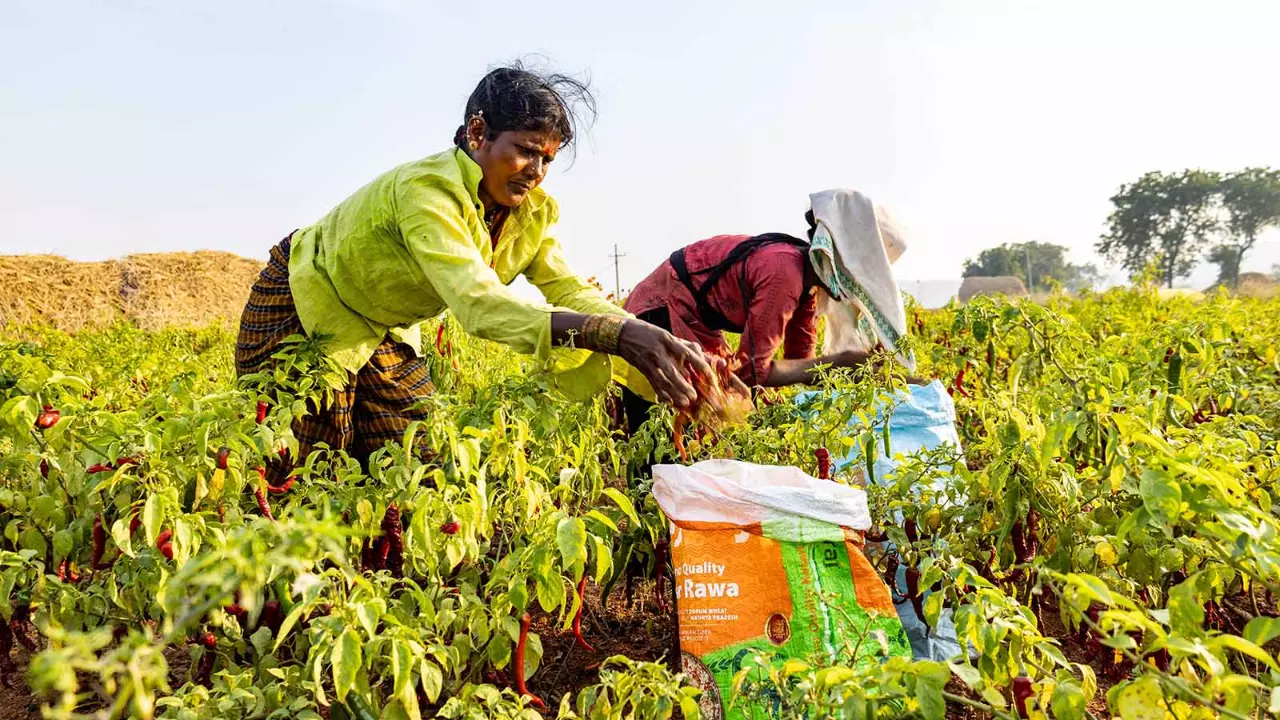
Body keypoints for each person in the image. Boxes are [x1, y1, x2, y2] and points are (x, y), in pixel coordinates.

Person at [235, 64, 709, 464]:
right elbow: (477, 303)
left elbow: (566, 287)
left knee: (414, 462)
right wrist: (614, 335)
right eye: (525, 150)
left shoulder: (532, 211)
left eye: (547, 158)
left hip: (385, 325)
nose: (537, 170)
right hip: (306, 301)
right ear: (478, 133)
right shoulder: (426, 192)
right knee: (302, 461)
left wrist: (651, 339)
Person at [621, 189, 917, 433]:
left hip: (692, 318)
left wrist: (856, 373)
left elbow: (801, 364)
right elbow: (752, 370)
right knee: (665, 426)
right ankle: (648, 500)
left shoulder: (804, 287)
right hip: (659, 311)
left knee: (717, 416)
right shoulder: (783, 272)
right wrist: (841, 361)